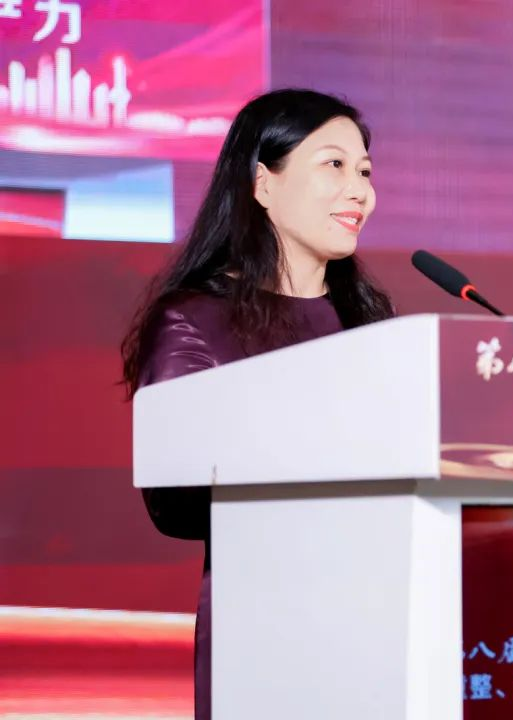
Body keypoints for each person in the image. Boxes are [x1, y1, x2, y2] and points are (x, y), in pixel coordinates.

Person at [120, 88, 394, 720]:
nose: (358, 191)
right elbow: (175, 500)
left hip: (379, 618)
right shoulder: (194, 320)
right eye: (334, 165)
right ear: (263, 183)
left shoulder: (371, 324)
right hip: (267, 632)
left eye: (364, 172)